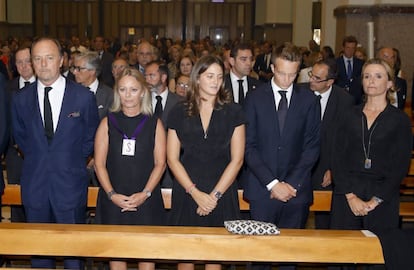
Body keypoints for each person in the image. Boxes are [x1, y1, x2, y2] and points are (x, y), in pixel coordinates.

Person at [11, 37, 100, 269]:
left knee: (73, 254)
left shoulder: (83, 97)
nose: (43, 64)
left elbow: (91, 137)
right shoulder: (20, 100)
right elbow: (21, 138)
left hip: (70, 185)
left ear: (62, 60)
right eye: (37, 59)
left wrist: (69, 161)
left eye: (49, 58)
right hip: (35, 185)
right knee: (40, 253)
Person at [243, 44, 320, 270]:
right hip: (262, 189)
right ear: (272, 69)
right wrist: (273, 183)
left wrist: (290, 184)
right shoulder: (255, 98)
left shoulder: (308, 100)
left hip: (296, 192)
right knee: (259, 257)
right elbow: (248, 146)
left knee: (290, 256)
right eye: (282, 73)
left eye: (293, 74)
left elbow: (312, 147)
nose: (286, 79)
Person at [330, 59, 412, 269]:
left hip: (382, 196)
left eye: (378, 76)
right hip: (347, 194)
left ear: (390, 84)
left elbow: (400, 166)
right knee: (342, 256)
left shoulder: (399, 120)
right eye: (367, 76)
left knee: (378, 258)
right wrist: (350, 196)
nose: (371, 81)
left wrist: (374, 201)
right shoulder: (348, 115)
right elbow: (337, 157)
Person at [167, 55, 245, 270]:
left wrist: (214, 196)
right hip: (187, 189)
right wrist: (195, 193)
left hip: (221, 189)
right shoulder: (179, 111)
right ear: (197, 78)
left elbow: (237, 160)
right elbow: (172, 159)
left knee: (215, 255)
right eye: (209, 76)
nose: (215, 82)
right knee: (186, 255)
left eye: (219, 77)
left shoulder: (234, 111)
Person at [94, 68, 166, 270]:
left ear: (143, 92)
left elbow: (160, 164)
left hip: (146, 199)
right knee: (116, 254)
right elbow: (99, 164)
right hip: (114, 199)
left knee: (146, 255)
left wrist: (145, 193)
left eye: (133, 90)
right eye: (123, 89)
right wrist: (111, 194)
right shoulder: (107, 122)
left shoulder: (154, 123)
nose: (127, 95)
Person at [308, 59, 354, 229]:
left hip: (327, 165)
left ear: (330, 82)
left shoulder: (345, 101)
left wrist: (333, 168)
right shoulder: (300, 93)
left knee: (324, 219)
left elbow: (343, 140)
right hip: (299, 166)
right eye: (311, 75)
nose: (312, 80)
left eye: (317, 78)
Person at [5, 46, 36, 223]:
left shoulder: (44, 87)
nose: (24, 66)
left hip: (39, 154)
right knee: (16, 197)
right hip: (14, 154)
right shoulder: (7, 88)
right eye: (19, 62)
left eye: (27, 61)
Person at [335, 36, 364, 104]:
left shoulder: (360, 63)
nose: (350, 51)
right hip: (340, 96)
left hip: (356, 99)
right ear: (343, 48)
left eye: (352, 48)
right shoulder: (336, 62)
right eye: (348, 48)